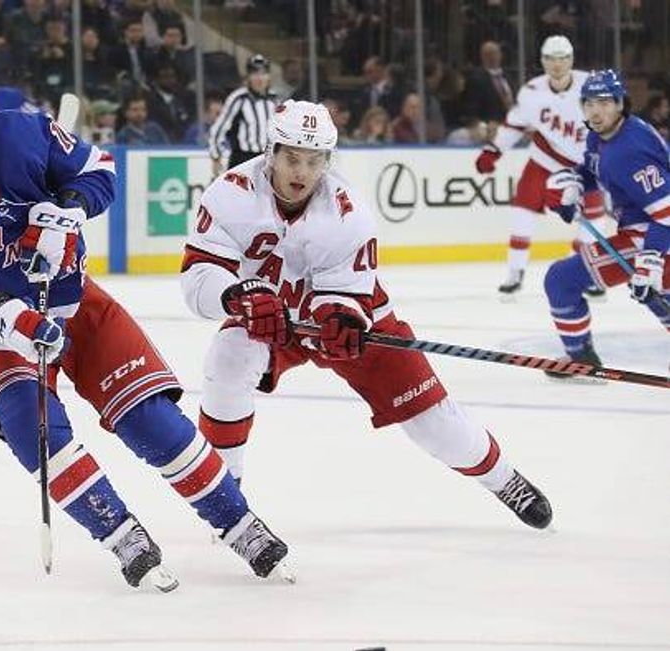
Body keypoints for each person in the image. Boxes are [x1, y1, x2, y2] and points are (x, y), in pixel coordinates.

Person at [0, 66, 291, 590]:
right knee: (37, 432)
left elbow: (99, 172)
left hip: (75, 301)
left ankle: (241, 525)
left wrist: (69, 210)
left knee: (150, 419)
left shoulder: (22, 133)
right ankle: (123, 536)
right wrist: (14, 318)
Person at [180, 100, 553, 531]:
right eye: (292, 159)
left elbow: (346, 295)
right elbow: (197, 278)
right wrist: (236, 295)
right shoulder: (229, 194)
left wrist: (343, 320)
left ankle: (504, 479)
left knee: (437, 428)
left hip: (356, 323)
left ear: (327, 161)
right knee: (228, 355)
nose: (301, 172)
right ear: (271, 153)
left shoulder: (347, 212)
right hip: (274, 318)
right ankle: (224, 499)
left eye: (313, 161)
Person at [541, 69, 670, 376]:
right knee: (658, 298)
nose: (595, 111)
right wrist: (574, 188)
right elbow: (593, 169)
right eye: (588, 103)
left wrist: (649, 260)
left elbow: (666, 211)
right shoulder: (602, 136)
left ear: (619, 104)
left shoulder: (630, 150)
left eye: (603, 102)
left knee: (561, 280)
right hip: (644, 232)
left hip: (651, 235)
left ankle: (580, 358)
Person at [473, 36, 606, 298]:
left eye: (563, 58)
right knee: (522, 210)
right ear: (543, 61)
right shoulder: (531, 93)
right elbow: (514, 125)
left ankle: (583, 270)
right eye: (551, 59)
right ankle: (515, 271)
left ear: (571, 60)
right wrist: (493, 150)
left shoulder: (590, 87)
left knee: (595, 220)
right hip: (544, 160)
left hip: (584, 166)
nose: (557, 65)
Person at [208, 54, 277, 176]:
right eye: (255, 74)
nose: (259, 78)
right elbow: (218, 129)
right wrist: (216, 156)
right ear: (248, 77)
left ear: (269, 77)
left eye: (263, 73)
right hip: (242, 159)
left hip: (267, 160)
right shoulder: (239, 98)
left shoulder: (274, 100)